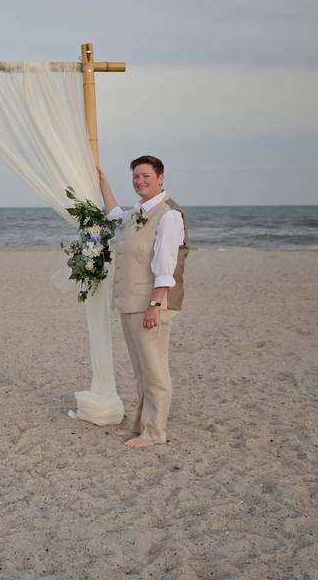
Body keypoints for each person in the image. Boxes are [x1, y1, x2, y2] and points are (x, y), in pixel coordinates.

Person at [97, 155, 188, 449]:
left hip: (151, 303)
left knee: (155, 369)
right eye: (136, 176)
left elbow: (166, 265)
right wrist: (101, 180)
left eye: (146, 176)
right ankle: (139, 423)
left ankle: (155, 431)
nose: (140, 181)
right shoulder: (138, 211)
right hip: (130, 301)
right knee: (139, 368)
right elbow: (113, 216)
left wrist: (155, 304)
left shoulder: (169, 215)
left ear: (160, 177)